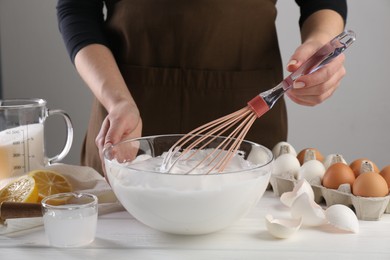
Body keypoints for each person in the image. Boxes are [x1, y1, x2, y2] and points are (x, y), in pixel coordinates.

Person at [57, 0, 347, 175]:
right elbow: (78, 8)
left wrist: (320, 44)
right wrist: (117, 100)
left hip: (246, 122)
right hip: (128, 118)